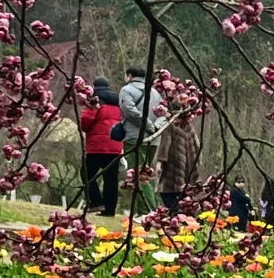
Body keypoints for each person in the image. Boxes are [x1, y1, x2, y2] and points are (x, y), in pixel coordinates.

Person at [119, 66, 163, 211]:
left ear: (129, 76)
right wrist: (154, 128)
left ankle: (147, 211)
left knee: (138, 175)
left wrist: (148, 126)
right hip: (154, 139)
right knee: (145, 174)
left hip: (134, 138)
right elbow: (163, 113)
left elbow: (130, 111)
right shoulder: (156, 93)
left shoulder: (126, 90)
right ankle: (146, 210)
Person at [81, 76, 123, 217]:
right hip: (115, 146)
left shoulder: (95, 101)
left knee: (87, 173)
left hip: (97, 146)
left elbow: (85, 123)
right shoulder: (118, 103)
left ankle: (96, 201)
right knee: (111, 179)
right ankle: (110, 210)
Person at [156, 118, 198, 212]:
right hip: (188, 166)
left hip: (172, 165)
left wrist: (160, 161)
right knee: (185, 193)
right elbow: (197, 145)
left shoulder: (170, 125)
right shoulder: (189, 126)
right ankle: (185, 217)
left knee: (166, 192)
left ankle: (175, 214)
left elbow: (165, 144)